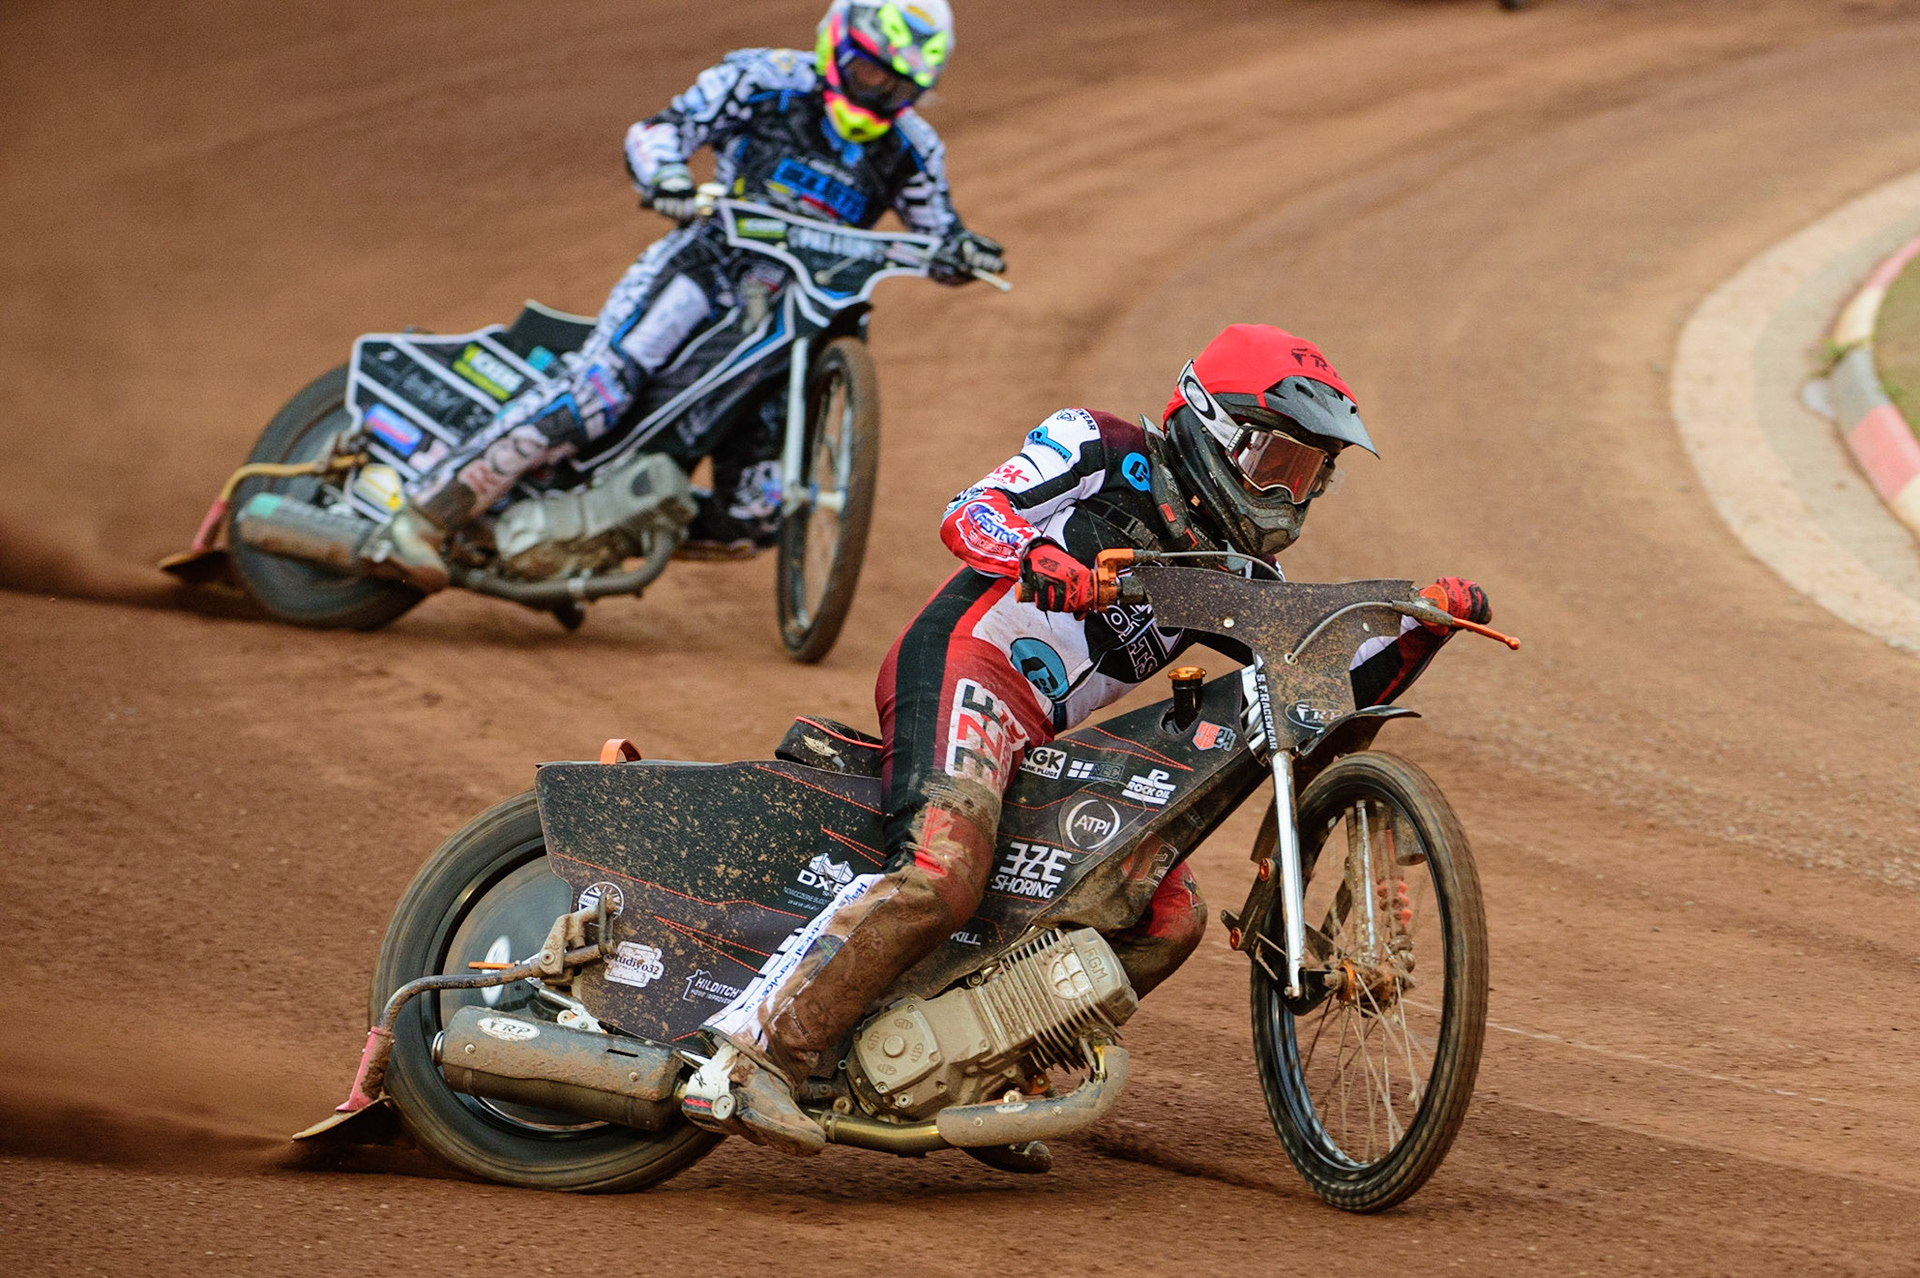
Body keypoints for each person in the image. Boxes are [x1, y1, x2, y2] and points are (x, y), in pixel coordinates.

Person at [694, 322, 1493, 1155]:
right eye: (1275, 464)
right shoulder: (1099, 445)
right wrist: (1040, 551)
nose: (1288, 496)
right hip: (965, 666)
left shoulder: (1233, 571)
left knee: (1166, 917)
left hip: (1039, 732)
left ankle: (981, 1073)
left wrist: (1417, 628)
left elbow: (1318, 682)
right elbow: (969, 513)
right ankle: (748, 1061)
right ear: (1216, 427)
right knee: (941, 874)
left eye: (1308, 476)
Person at [373, 0, 1003, 589]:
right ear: (837, 44)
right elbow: (660, 130)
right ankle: (424, 515)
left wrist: (965, 251)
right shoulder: (764, 79)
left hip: (796, 315)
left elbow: (938, 237)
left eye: (898, 86)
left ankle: (595, 530)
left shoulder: (914, 147)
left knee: (750, 519)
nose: (879, 92)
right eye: (870, 71)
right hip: (708, 267)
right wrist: (669, 175)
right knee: (599, 392)